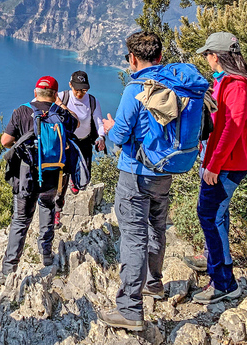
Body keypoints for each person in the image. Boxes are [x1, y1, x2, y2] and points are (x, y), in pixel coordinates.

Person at [98, 31, 170, 332]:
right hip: (164, 172)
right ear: (161, 58)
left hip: (135, 174)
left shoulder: (135, 89)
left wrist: (110, 126)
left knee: (134, 236)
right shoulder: (172, 85)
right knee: (157, 227)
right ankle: (154, 283)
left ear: (132, 59)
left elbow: (119, 136)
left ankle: (129, 308)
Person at [189, 32, 247, 304]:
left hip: (228, 163)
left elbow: (233, 127)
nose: (206, 59)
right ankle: (213, 257)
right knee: (217, 212)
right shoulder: (224, 82)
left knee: (208, 214)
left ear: (215, 56)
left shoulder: (237, 85)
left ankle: (224, 282)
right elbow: (218, 123)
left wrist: (214, 164)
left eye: (207, 54)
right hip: (220, 160)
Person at [0, 76, 79, 280]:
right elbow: (76, 123)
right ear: (54, 94)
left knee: (21, 220)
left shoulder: (22, 111)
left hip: (26, 177)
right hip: (53, 176)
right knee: (47, 209)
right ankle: (46, 255)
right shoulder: (60, 113)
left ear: (35, 92)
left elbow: (5, 141)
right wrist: (59, 105)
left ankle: (9, 268)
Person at [58, 70, 107, 185]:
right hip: (66, 143)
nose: (80, 94)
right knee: (63, 174)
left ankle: (76, 184)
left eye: (84, 90)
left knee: (84, 178)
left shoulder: (92, 101)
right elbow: (39, 101)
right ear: (70, 85)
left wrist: (101, 137)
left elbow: (99, 121)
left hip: (84, 142)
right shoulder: (62, 97)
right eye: (77, 90)